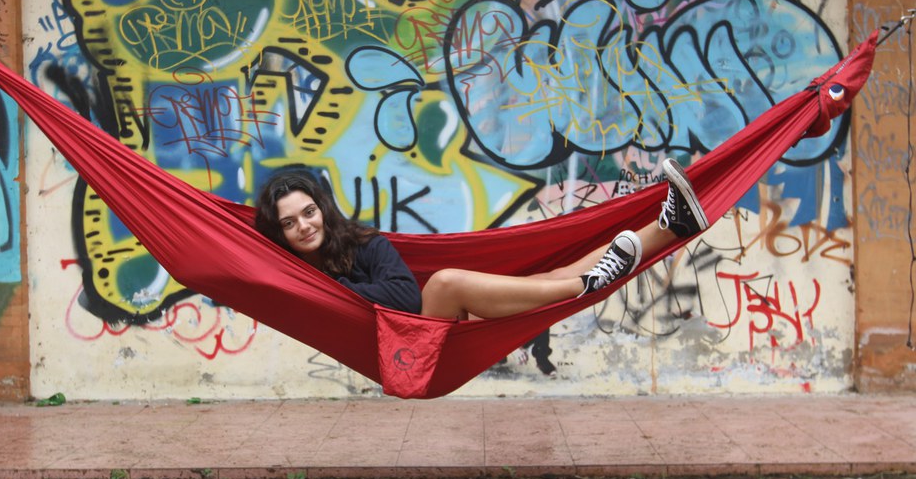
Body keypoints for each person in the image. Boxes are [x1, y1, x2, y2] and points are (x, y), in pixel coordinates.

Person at [254, 159, 707, 321]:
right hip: (412, 355)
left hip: (438, 332)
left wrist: (335, 290)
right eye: (289, 223)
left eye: (308, 212)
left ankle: (670, 227)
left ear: (323, 209)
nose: (304, 226)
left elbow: (405, 297)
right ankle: (587, 283)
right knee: (445, 283)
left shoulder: (365, 243)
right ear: (280, 234)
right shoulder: (290, 273)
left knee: (550, 274)